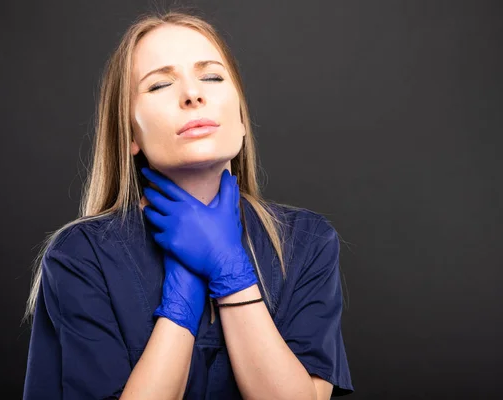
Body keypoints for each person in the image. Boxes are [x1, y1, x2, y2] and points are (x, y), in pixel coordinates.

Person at [22, 9, 354, 400]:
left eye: (211, 77)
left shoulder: (308, 241)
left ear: (242, 118)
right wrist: (183, 293)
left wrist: (231, 273)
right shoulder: (80, 256)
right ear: (129, 133)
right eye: (160, 85)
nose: (193, 95)